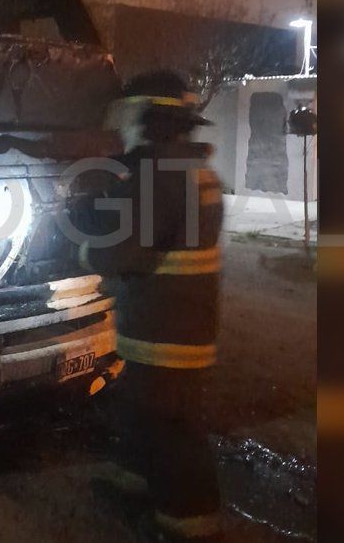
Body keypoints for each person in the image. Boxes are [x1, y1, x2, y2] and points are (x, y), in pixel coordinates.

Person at [78, 70, 225, 541]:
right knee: (143, 410)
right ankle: (133, 484)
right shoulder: (193, 171)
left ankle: (190, 522)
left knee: (169, 428)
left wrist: (81, 245)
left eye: (131, 116)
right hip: (183, 325)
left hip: (164, 330)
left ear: (152, 119)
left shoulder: (159, 176)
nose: (126, 128)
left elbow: (125, 251)